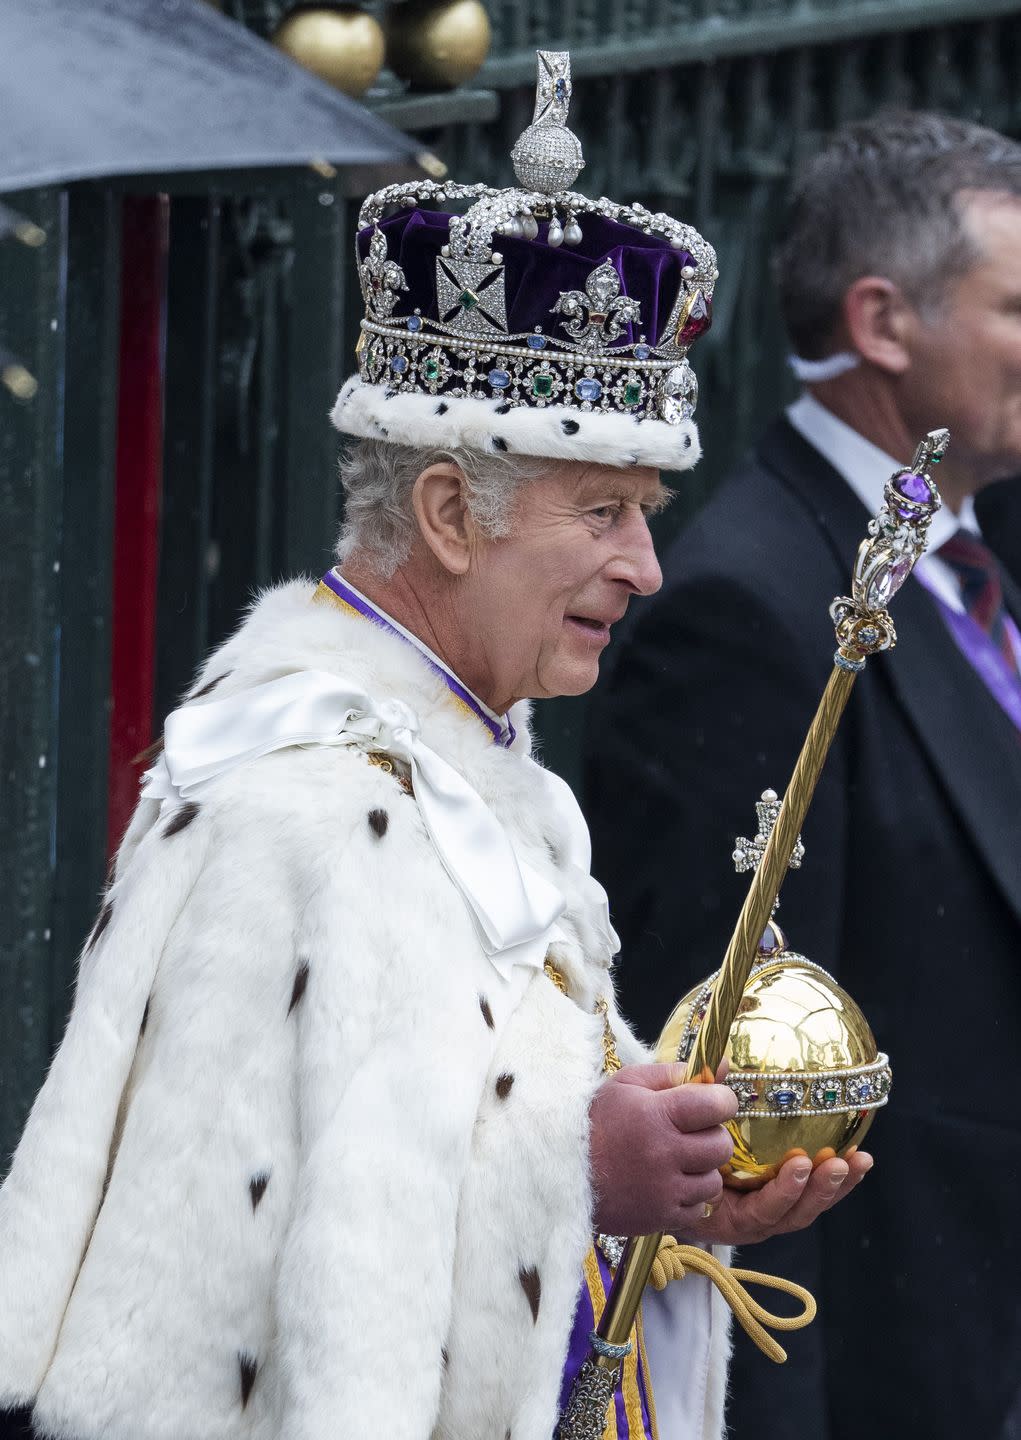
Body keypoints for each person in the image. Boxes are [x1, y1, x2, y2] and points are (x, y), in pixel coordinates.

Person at [0, 53, 870, 1440]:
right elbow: (221, 1309)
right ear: (455, 514)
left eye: (644, 511)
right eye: (603, 512)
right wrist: (583, 1168)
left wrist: (680, 1182)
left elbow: (471, 1143)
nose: (646, 567)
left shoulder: (483, 761)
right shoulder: (291, 803)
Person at [585, 110, 1021, 1440]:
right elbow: (736, 1109)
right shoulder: (744, 610)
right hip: (897, 1364)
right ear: (884, 321)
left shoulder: (970, 540)